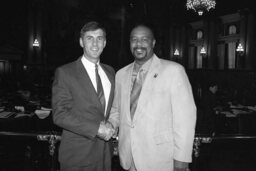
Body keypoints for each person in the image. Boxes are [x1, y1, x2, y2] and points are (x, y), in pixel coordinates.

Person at [108, 23, 197, 171]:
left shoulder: (173, 71)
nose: (139, 44)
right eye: (134, 39)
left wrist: (181, 159)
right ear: (129, 43)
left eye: (144, 39)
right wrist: (110, 125)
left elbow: (185, 119)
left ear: (153, 43)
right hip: (129, 158)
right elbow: (117, 110)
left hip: (160, 159)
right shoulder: (121, 74)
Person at [52, 21, 115, 171]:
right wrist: (96, 129)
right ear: (81, 42)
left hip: (105, 155)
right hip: (78, 156)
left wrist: (113, 124)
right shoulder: (65, 72)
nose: (95, 43)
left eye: (99, 38)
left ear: (105, 43)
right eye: (89, 38)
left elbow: (110, 108)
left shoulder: (110, 72)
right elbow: (60, 115)